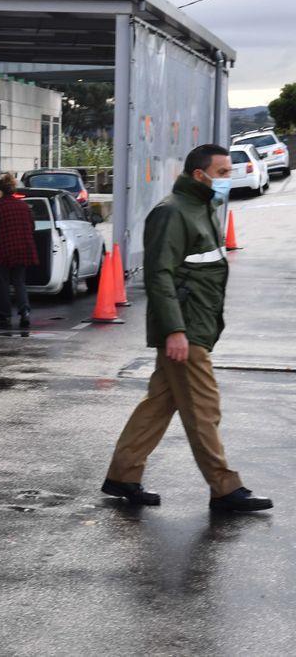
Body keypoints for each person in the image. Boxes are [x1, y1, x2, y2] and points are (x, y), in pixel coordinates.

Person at [102, 144, 272, 512]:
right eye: (223, 172)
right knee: (203, 407)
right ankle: (225, 488)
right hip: (186, 328)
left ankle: (123, 475)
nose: (229, 178)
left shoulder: (203, 207)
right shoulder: (172, 212)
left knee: (159, 405)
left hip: (196, 322)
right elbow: (159, 275)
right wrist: (175, 331)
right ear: (200, 175)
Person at [0, 173, 37, 328]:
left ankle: (4, 315)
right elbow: (32, 227)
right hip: (23, 249)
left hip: (5, 250)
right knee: (20, 282)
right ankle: (24, 312)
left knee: (4, 283)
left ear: (0, 191)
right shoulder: (23, 206)